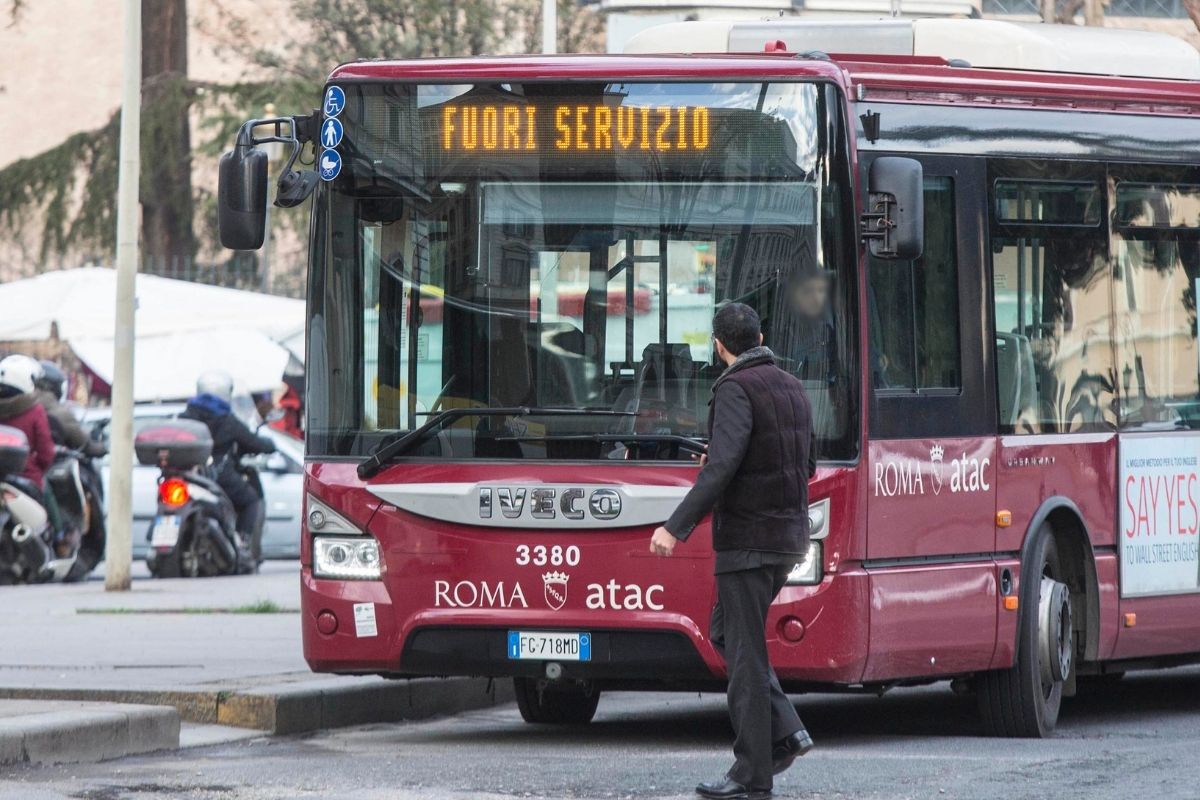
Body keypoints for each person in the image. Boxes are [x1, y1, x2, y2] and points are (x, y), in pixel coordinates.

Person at [650, 303, 815, 800]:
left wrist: (674, 527)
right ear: (760, 334)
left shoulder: (734, 388)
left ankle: (752, 776)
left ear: (719, 346)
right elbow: (805, 464)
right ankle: (786, 730)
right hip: (787, 539)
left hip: (747, 541)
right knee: (728, 633)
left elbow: (719, 470)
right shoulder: (791, 387)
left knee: (743, 656)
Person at [180, 370, 275, 540]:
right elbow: (254, 442)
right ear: (225, 392)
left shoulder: (185, 416)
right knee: (251, 500)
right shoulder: (226, 420)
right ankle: (243, 543)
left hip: (189, 475)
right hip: (220, 475)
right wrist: (270, 444)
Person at [34, 361, 106, 457]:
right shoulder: (60, 414)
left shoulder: (23, 407)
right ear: (54, 386)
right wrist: (104, 447)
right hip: (50, 468)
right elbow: (84, 445)